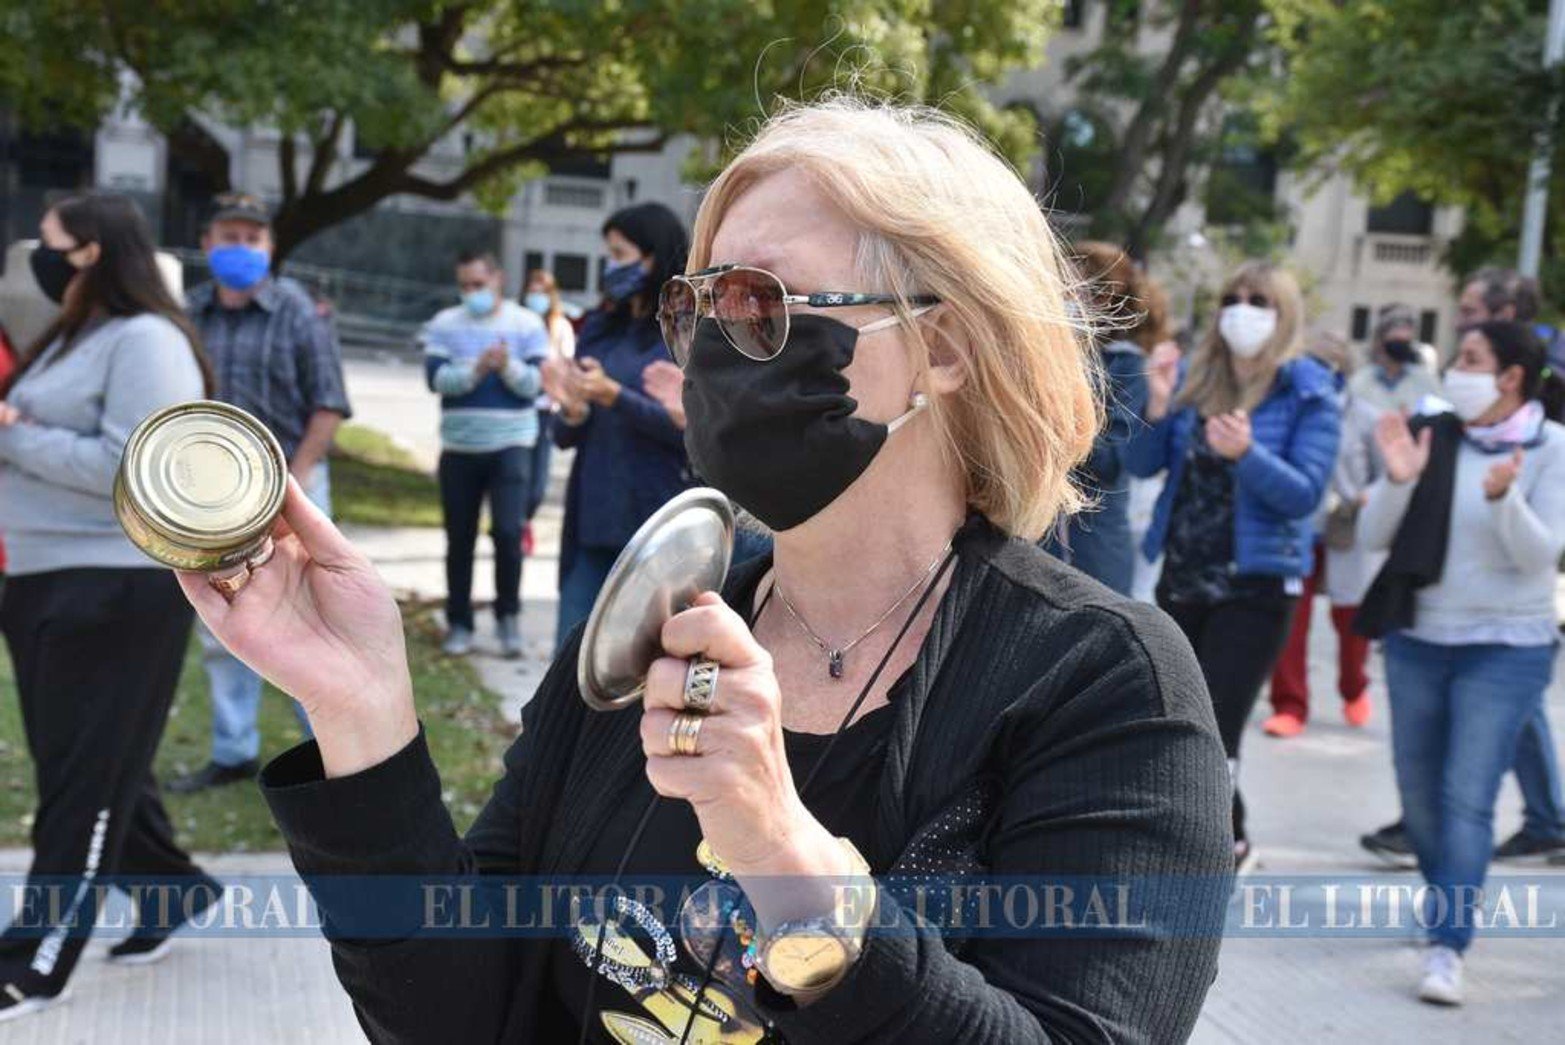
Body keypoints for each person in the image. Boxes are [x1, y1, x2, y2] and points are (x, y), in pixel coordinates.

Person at [187, 99, 1232, 1044]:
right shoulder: (646, 635)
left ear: (944, 345)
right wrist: (364, 709)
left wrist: (783, 858)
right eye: (698, 307)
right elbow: (460, 1012)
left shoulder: (1101, 679)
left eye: (762, 302)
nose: (710, 353)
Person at [0, 193, 223, 1020]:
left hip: (116, 585)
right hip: (47, 576)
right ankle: (173, 889)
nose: (40, 258)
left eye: (51, 245)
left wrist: (11, 431)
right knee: (85, 761)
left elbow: (137, 461)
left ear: (92, 251)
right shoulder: (77, 336)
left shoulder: (147, 340)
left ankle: (36, 957)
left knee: (81, 781)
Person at [1356, 320, 1565, 1005]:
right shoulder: (1432, 434)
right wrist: (1395, 480)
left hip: (1508, 647)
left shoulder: (1550, 447)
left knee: (1465, 797)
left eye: (1470, 358)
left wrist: (1504, 500)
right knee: (1417, 795)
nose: (1455, 368)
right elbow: (1371, 534)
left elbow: (1540, 556)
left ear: (1509, 376)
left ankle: (1448, 944)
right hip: (1419, 639)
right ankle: (1441, 896)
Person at [1128, 260, 1341, 873]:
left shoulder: (1308, 392)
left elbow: (1305, 494)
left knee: (1217, 721)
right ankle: (1229, 833)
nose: (1241, 310)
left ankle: (1209, 848)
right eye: (1233, 298)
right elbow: (1143, 464)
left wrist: (1247, 454)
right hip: (1185, 576)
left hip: (1257, 583)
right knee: (1176, 714)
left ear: (1284, 316)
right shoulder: (1201, 382)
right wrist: (1159, 403)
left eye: (1259, 301)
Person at [167, 191, 353, 795]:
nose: (240, 248)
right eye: (229, 237)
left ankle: (328, 750)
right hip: (211, 498)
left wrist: (289, 489)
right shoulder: (188, 314)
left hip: (291, 491)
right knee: (220, 617)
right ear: (207, 243)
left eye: (252, 239)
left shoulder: (300, 312)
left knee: (303, 616)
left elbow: (328, 404)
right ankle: (233, 749)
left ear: (270, 248)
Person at [550, 203, 693, 647]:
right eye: (607, 254)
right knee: (569, 660)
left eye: (621, 253)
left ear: (654, 257)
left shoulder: (687, 333)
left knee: (642, 669)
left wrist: (616, 397)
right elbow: (566, 434)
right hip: (593, 518)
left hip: (655, 527)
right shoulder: (601, 325)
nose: (611, 266)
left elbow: (692, 436)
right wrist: (573, 408)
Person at [1262, 327, 1395, 737]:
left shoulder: (1367, 417)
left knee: (1350, 618)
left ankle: (1354, 688)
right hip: (1298, 527)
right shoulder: (1287, 407)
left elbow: (1387, 474)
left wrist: (1367, 497)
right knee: (1291, 622)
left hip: (1348, 530)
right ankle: (1289, 704)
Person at [421, 250, 547, 659]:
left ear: (498, 280)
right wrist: (477, 369)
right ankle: (459, 621)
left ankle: (507, 617)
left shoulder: (526, 324)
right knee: (460, 537)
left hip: (512, 444)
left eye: (479, 284)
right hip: (460, 447)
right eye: (465, 286)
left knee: (509, 533)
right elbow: (437, 380)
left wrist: (506, 365)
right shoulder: (444, 324)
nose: (472, 293)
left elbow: (533, 386)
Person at [1044, 240, 1165, 595]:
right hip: (1038, 541)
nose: (1061, 298)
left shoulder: (1126, 366)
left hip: (1094, 549)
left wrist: (1056, 417)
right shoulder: (1044, 358)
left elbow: (1110, 460)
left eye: (1071, 289)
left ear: (1103, 301)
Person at [522, 268, 577, 557]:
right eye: (532, 289)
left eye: (543, 290)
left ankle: (525, 518)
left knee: (538, 482)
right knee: (517, 475)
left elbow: (567, 363)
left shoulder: (560, 326)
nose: (537, 295)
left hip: (546, 409)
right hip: (520, 407)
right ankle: (515, 525)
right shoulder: (519, 322)